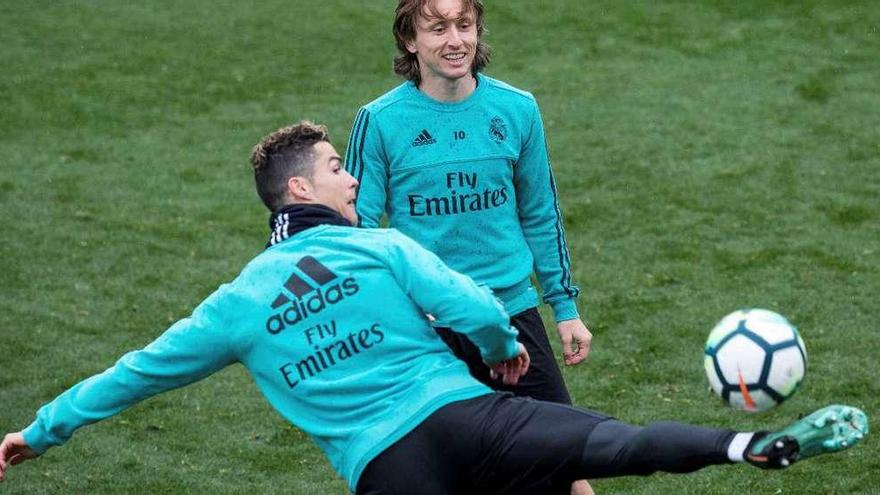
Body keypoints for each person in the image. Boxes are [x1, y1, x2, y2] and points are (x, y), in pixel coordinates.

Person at [0, 122, 868, 495]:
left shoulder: (232, 307)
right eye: (338, 166)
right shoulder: (376, 244)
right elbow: (474, 303)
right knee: (615, 445)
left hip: (389, 470)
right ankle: (749, 444)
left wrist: (38, 431)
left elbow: (133, 374)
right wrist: (502, 350)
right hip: (469, 416)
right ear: (303, 186)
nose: (350, 177)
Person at [345, 2, 594, 491]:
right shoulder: (380, 121)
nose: (455, 39)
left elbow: (540, 212)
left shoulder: (517, 109)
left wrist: (564, 307)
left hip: (511, 314)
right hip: (429, 329)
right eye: (437, 28)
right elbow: (358, 229)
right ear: (410, 41)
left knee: (565, 459)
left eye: (465, 25)